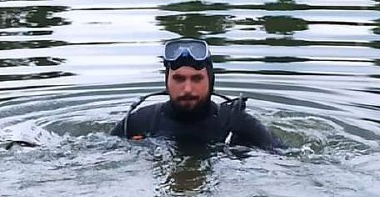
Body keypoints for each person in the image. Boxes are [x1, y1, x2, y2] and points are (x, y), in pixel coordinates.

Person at [110, 37, 282, 150]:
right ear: (166, 80)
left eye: (197, 79)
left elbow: (286, 156)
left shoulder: (237, 124)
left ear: (211, 80)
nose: (187, 89)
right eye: (179, 79)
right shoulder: (139, 122)